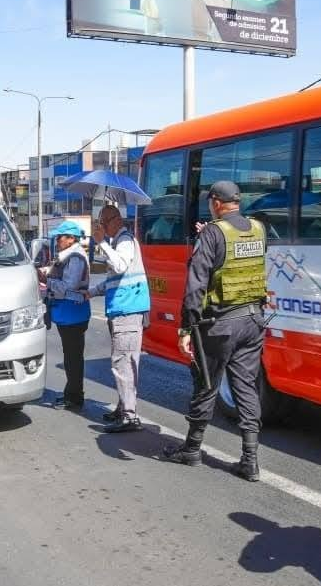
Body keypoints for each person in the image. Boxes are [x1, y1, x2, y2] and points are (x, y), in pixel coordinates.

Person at [161, 180, 268, 482]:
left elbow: (195, 288)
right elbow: (239, 260)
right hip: (253, 320)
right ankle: (250, 460)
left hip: (220, 325)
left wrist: (185, 328)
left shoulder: (212, 233)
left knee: (206, 384)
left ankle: (192, 449)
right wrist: (206, 237)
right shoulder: (258, 229)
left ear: (216, 203)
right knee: (246, 387)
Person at [88, 206, 150, 433]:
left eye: (103, 222)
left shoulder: (124, 241)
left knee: (123, 363)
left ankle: (129, 416)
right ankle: (123, 407)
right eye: (99, 222)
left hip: (128, 310)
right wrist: (92, 292)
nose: (101, 226)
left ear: (116, 220)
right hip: (122, 309)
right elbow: (115, 280)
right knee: (124, 362)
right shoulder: (118, 242)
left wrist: (101, 242)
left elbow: (120, 265)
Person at [38, 221, 90, 411]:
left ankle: (74, 397)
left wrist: (47, 280)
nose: (57, 240)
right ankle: (72, 393)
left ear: (71, 238)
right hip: (68, 312)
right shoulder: (68, 255)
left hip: (73, 311)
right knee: (70, 356)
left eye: (60, 237)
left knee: (73, 357)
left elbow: (69, 286)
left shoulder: (75, 257)